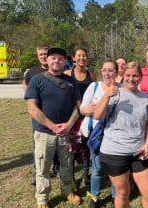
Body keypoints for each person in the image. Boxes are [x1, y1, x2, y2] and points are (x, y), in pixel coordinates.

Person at [94, 61, 148, 208]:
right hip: (115, 152)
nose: (131, 78)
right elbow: (97, 115)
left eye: (135, 75)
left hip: (139, 152)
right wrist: (107, 95)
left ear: (140, 77)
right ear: (123, 76)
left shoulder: (146, 98)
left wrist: (147, 145)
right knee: (122, 193)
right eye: (128, 75)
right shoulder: (115, 93)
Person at [24, 47, 82, 208]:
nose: (57, 61)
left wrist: (69, 125)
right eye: (53, 58)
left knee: (67, 164)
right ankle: (42, 198)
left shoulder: (71, 81)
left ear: (65, 62)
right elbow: (32, 108)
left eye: (60, 59)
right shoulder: (37, 80)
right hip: (44, 133)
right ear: (47, 60)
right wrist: (52, 126)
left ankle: (66, 190)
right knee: (43, 167)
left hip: (66, 133)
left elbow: (78, 106)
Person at [80, 60, 118, 207]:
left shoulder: (120, 89)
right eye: (104, 70)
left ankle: (116, 197)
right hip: (97, 135)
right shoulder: (93, 86)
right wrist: (97, 108)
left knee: (115, 170)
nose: (107, 73)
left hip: (114, 136)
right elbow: (83, 109)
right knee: (97, 169)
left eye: (110, 70)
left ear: (116, 72)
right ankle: (95, 196)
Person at [23, 46, 60, 185]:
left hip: (56, 114)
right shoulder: (32, 72)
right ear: (37, 55)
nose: (43, 56)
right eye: (40, 54)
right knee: (38, 144)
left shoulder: (58, 68)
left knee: (57, 141)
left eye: (45, 54)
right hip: (39, 116)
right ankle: (37, 171)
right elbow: (25, 87)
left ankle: (57, 168)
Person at [64, 47, 96, 186]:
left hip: (86, 116)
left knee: (86, 146)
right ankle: (71, 176)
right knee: (72, 147)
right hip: (71, 116)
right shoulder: (67, 73)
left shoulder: (92, 75)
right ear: (74, 58)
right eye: (79, 56)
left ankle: (85, 174)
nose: (82, 58)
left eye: (84, 56)